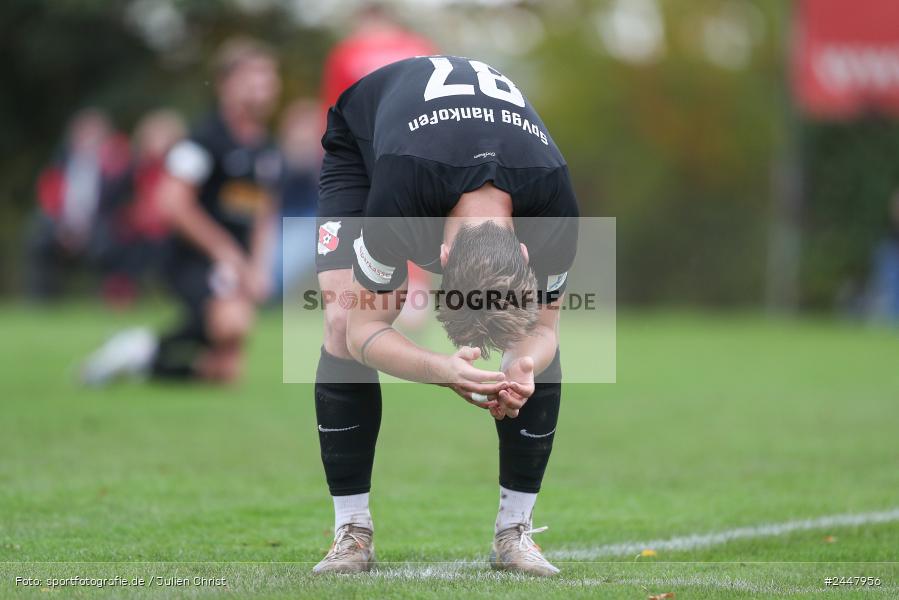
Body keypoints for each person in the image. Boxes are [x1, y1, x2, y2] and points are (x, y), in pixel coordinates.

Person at [311, 56, 578, 576]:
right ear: (440, 260)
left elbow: (545, 329)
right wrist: (442, 369)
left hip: (460, 151)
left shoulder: (554, 208)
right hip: (367, 144)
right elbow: (365, 330)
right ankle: (352, 532)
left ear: (526, 254)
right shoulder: (398, 203)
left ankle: (515, 532)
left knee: (534, 355)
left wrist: (522, 364)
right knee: (342, 324)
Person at [81, 38, 281, 385]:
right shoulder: (202, 140)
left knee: (224, 373)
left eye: (268, 77)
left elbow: (264, 211)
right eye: (252, 78)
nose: (263, 87)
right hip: (191, 259)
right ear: (225, 84)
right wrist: (224, 250)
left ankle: (140, 353)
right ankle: (142, 349)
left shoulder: (265, 148)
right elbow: (172, 203)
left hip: (233, 264)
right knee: (232, 323)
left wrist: (259, 266)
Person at [26, 108, 130, 301]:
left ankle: (112, 298)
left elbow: (117, 201)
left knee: (110, 241)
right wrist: (62, 228)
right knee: (38, 238)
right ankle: (42, 302)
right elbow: (48, 199)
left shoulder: (117, 164)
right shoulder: (61, 162)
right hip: (62, 226)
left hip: (99, 226)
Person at [101, 109, 186, 305]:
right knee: (120, 244)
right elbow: (113, 198)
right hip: (139, 231)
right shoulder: (135, 167)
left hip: (172, 229)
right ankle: (121, 293)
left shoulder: (181, 168)